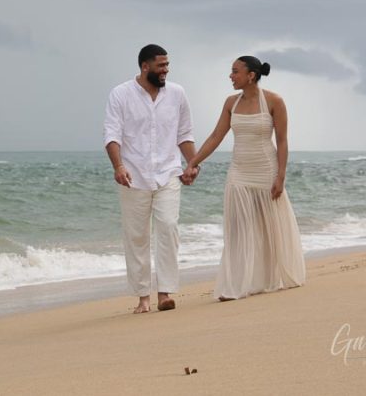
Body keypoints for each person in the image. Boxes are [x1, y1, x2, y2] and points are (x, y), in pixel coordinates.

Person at [184, 56, 305, 300]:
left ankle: (268, 277)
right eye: (231, 71)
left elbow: (282, 140)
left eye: (235, 71)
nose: (231, 76)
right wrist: (193, 162)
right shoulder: (231, 102)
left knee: (269, 226)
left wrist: (281, 177)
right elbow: (216, 135)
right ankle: (235, 285)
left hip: (266, 170)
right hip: (238, 171)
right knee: (238, 229)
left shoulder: (274, 101)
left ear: (251, 75)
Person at [103, 44, 197, 314]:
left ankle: (165, 293)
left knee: (168, 227)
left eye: (167, 65)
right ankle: (143, 297)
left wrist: (192, 164)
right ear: (145, 66)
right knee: (137, 237)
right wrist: (118, 166)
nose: (166, 70)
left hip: (168, 172)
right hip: (133, 176)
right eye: (161, 65)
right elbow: (112, 135)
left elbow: (184, 134)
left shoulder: (177, 93)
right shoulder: (120, 94)